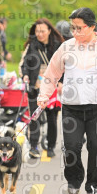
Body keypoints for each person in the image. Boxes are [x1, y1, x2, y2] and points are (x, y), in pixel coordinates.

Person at [37, 7, 97, 194]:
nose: (75, 32)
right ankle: (74, 180)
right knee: (71, 147)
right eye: (73, 28)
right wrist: (44, 96)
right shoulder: (66, 47)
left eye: (79, 28)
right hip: (71, 108)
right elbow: (52, 73)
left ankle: (93, 185)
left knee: (96, 147)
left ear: (92, 27)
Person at [21, 18, 64, 158]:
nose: (39, 34)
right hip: (35, 86)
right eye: (37, 31)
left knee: (52, 118)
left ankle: (51, 146)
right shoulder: (32, 46)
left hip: (52, 88)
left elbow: (64, 65)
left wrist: (61, 82)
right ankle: (34, 146)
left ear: (49, 31)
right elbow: (25, 64)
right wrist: (25, 75)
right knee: (35, 117)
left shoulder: (58, 46)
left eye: (42, 31)